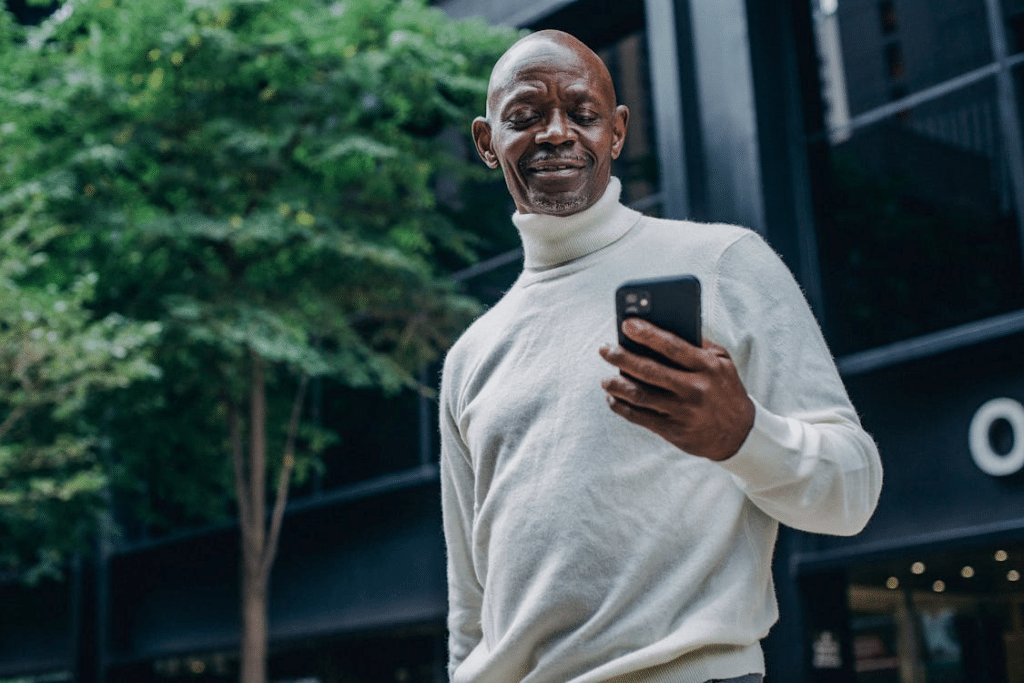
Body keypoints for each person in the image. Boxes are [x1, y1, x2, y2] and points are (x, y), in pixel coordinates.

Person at [438, 29, 882, 683]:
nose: (556, 133)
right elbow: (469, 608)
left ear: (616, 132)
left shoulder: (725, 262)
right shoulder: (470, 355)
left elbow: (854, 491)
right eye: (525, 117)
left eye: (582, 113)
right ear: (486, 142)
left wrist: (742, 435)